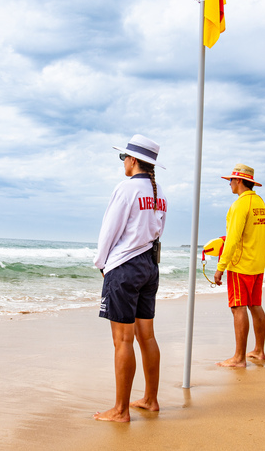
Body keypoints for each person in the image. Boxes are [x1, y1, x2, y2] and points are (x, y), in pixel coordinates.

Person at [92, 134, 167, 422]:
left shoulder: (126, 189)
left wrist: (101, 263)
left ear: (133, 160)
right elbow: (156, 231)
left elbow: (109, 231)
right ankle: (150, 399)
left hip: (124, 268)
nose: (123, 162)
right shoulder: (160, 193)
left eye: (124, 158)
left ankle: (121, 410)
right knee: (146, 335)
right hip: (149, 266)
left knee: (122, 340)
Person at [214, 164, 265, 367]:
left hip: (240, 265)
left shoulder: (239, 205)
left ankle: (238, 358)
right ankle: (259, 351)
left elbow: (233, 239)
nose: (229, 184)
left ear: (238, 181)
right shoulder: (260, 202)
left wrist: (221, 268)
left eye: (231, 180)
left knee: (238, 308)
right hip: (257, 264)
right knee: (255, 306)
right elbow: (263, 233)